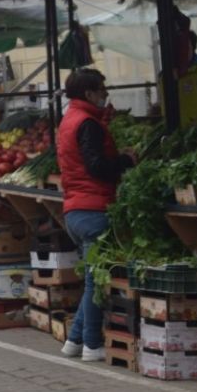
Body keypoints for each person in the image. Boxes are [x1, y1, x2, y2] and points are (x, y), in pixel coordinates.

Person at [57, 68, 136, 362]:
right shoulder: (87, 123)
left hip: (75, 210)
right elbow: (97, 167)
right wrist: (125, 161)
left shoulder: (70, 120)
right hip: (93, 209)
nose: (105, 94)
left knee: (92, 279)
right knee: (94, 283)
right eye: (102, 89)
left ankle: (74, 341)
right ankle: (92, 344)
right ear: (89, 92)